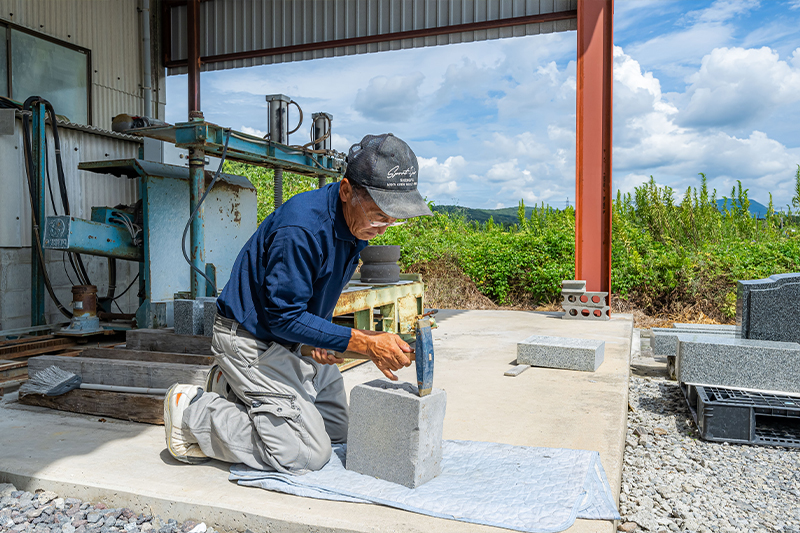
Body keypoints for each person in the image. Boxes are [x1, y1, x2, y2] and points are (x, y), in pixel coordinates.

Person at [163, 133, 433, 473]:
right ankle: (195, 412)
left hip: (289, 340)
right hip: (250, 339)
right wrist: (364, 342)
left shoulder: (355, 228)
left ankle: (235, 390)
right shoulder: (302, 228)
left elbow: (307, 301)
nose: (384, 228)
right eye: (379, 216)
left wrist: (315, 339)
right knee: (306, 453)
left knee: (337, 430)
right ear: (347, 191)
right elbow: (281, 316)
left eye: (393, 219)